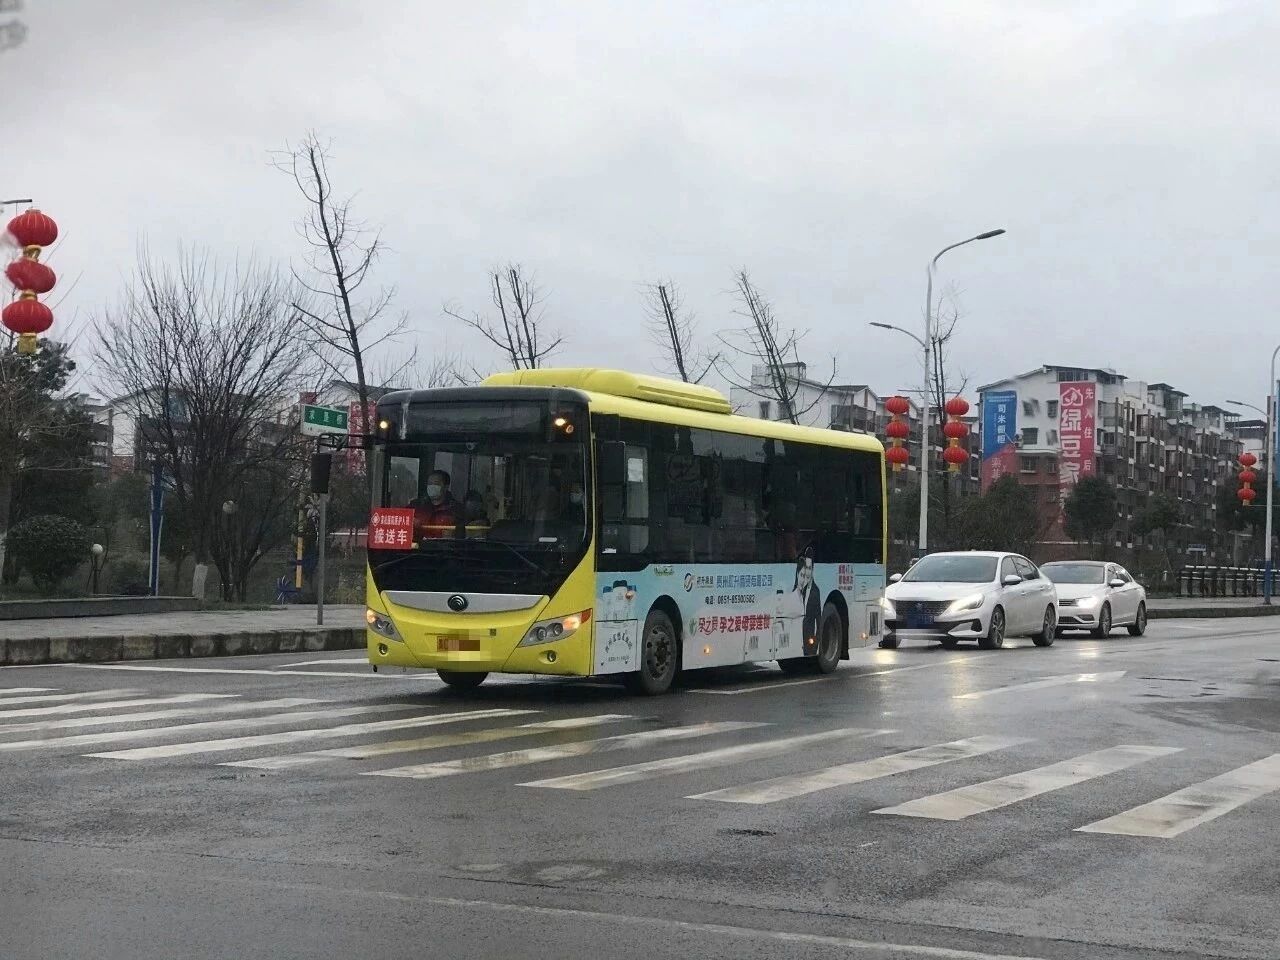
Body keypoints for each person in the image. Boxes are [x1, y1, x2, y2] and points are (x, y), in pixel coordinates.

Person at [413, 469, 461, 538]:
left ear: (446, 487)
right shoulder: (417, 506)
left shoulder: (455, 510)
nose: (432, 487)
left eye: (436, 484)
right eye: (429, 484)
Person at [793, 553, 822, 652]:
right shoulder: (799, 590)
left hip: (809, 643)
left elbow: (819, 621)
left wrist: (815, 644)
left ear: (813, 569)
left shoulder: (815, 591)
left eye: (809, 568)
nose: (807, 572)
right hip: (796, 641)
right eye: (806, 568)